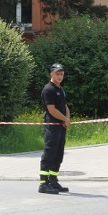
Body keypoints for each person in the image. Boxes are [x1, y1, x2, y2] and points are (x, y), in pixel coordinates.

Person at [39, 63, 70, 194]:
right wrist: (64, 119)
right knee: (49, 153)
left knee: (58, 154)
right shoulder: (48, 89)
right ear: (51, 74)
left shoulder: (60, 89)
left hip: (61, 126)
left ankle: (53, 180)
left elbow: (65, 105)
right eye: (57, 73)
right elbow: (51, 110)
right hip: (52, 126)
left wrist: (67, 119)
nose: (59, 76)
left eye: (61, 74)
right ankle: (43, 184)